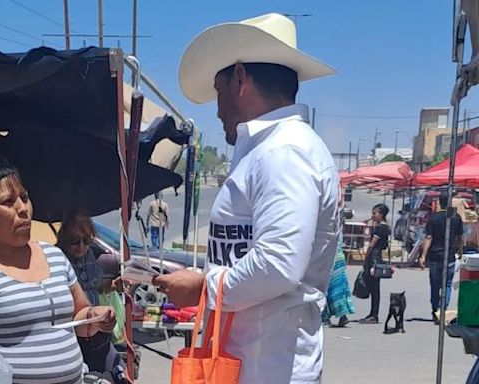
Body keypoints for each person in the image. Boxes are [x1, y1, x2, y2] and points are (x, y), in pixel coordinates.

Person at [154, 13, 339, 384]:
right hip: (250, 362)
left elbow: (277, 264)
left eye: (218, 92)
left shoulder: (285, 153)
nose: (218, 110)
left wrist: (205, 288)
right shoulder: (270, 150)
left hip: (269, 367)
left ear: (240, 78)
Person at [0, 160, 116, 384]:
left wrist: (95, 318)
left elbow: (79, 315)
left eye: (25, 198)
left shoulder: (53, 255)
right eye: (8, 201)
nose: (23, 209)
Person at [57, 211, 126, 382]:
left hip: (98, 331)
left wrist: (114, 286)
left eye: (86, 240)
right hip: (75, 335)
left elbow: (97, 288)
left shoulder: (90, 256)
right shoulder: (57, 259)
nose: (81, 246)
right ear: (64, 238)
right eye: (75, 241)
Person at [419, 191, 463, 324]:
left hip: (434, 257)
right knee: (447, 284)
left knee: (434, 284)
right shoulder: (456, 217)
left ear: (439, 202)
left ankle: (435, 309)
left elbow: (428, 237)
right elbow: (460, 237)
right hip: (449, 256)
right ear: (450, 202)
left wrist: (423, 255)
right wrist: (460, 251)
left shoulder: (433, 219)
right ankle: (443, 310)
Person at [323, 191, 355, 327]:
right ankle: (342, 315)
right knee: (340, 286)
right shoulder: (338, 215)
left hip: (327, 254)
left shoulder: (324, 215)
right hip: (338, 254)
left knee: (325, 286)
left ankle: (325, 317)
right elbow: (341, 202)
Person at [359, 203, 390, 324]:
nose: (372, 215)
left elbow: (372, 244)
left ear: (381, 215)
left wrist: (366, 258)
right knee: (374, 288)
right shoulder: (381, 226)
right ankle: (372, 313)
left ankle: (374, 314)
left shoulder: (381, 228)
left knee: (374, 288)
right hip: (377, 257)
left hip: (374, 258)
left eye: (374, 213)